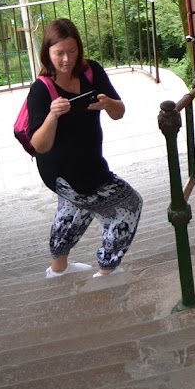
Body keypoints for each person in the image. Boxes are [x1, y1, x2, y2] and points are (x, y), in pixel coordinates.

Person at [26, 17, 143, 280]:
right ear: (48, 53)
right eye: (59, 53)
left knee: (73, 209)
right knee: (129, 205)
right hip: (63, 171)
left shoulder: (91, 71)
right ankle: (107, 269)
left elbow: (119, 112)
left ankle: (58, 269)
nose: (66, 59)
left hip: (89, 164)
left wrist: (106, 102)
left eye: (71, 51)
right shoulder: (41, 90)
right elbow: (39, 145)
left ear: (79, 49)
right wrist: (52, 115)